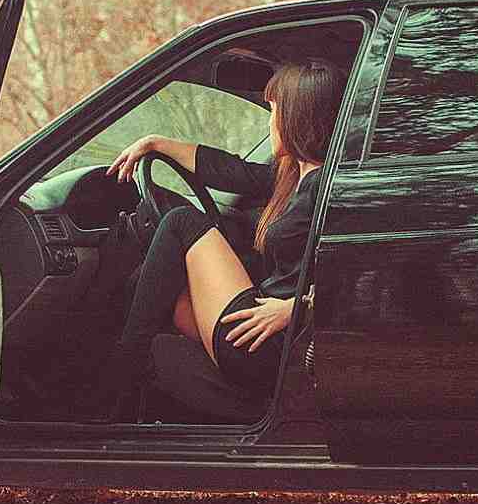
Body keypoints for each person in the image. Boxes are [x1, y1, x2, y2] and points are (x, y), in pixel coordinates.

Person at [79, 60, 346, 422]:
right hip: (257, 325)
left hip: (267, 342)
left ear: (299, 117)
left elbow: (361, 272)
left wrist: (298, 308)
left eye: (274, 111)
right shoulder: (292, 176)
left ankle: (112, 386)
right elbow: (231, 171)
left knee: (180, 223)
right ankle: (114, 388)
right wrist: (156, 143)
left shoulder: (329, 187)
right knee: (160, 291)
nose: (270, 122)